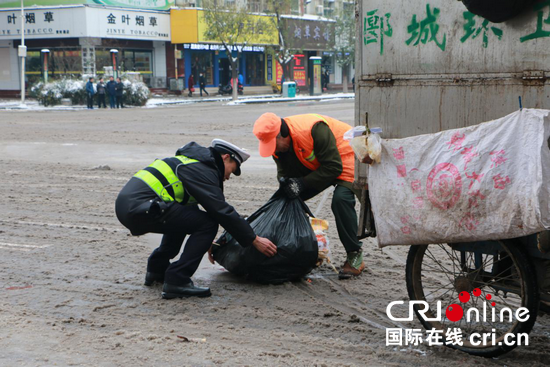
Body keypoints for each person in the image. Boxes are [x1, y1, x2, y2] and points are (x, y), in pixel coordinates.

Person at [115, 139, 277, 298]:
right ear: (225, 157)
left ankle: (157, 270)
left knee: (187, 215)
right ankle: (177, 280)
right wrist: (254, 239)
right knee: (208, 223)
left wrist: (205, 241)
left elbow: (190, 214)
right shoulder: (203, 169)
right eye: (232, 170)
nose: (228, 177)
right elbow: (220, 210)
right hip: (142, 207)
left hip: (131, 206)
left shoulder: (193, 162)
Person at [253, 113, 365, 279]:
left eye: (274, 145)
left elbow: (333, 168)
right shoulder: (279, 147)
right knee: (287, 199)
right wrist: (287, 188)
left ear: (281, 135)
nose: (273, 150)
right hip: (319, 166)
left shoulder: (314, 129)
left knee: (341, 200)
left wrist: (302, 184)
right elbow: (284, 174)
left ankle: (354, 254)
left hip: (346, 159)